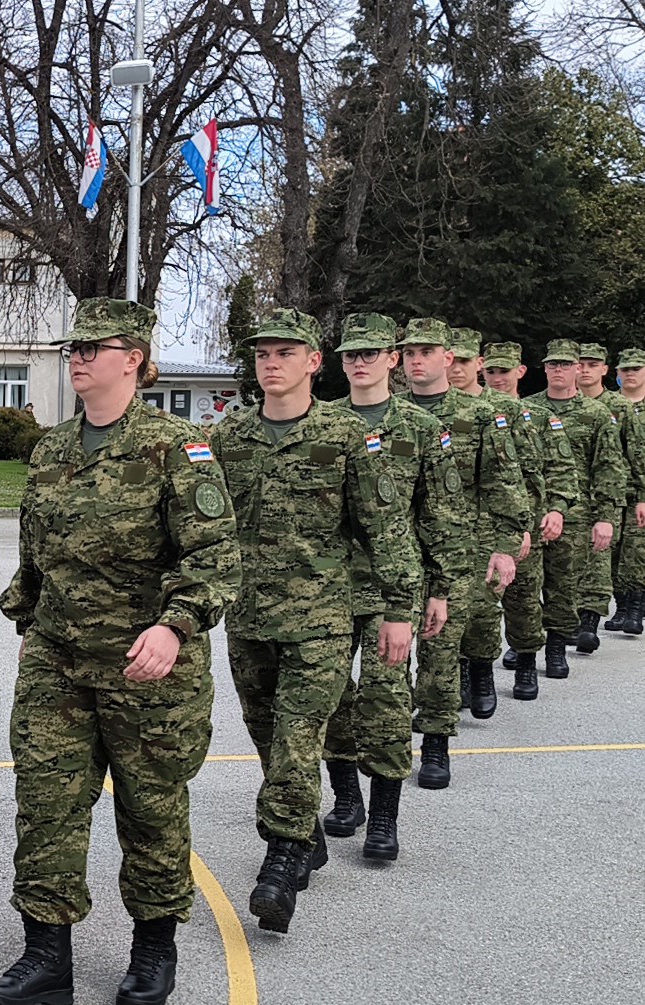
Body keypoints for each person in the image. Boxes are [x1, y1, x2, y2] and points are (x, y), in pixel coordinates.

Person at [0, 298, 239, 1005]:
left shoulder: (176, 447)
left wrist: (176, 626)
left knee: (151, 811)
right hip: (58, 662)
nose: (80, 357)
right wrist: (28, 617)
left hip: (145, 665)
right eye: (75, 347)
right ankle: (46, 957)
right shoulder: (53, 448)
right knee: (47, 806)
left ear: (135, 360)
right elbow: (35, 551)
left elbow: (215, 555)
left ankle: (153, 949)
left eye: (97, 346)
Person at [209, 308, 419, 933]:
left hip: (321, 619)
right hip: (247, 618)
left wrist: (397, 609)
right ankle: (305, 832)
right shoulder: (229, 438)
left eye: (284, 352)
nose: (271, 363)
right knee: (267, 733)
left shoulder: (344, 436)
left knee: (300, 734)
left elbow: (384, 528)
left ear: (312, 362)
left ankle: (280, 856)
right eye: (262, 354)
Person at [322, 313, 467, 862]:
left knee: (385, 701)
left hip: (393, 588)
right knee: (331, 700)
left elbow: (441, 515)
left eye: (370, 353)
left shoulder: (421, 428)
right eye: (350, 354)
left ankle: (384, 817)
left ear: (392, 359)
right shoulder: (323, 422)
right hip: (327, 589)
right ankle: (345, 798)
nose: (359, 362)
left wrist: (442, 588)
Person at [396, 318, 528, 788]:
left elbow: (504, 481)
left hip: (460, 550)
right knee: (390, 653)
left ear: (447, 359)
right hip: (397, 552)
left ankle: (435, 742)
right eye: (410, 352)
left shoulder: (478, 415)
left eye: (427, 352)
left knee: (441, 647)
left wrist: (506, 547)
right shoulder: (388, 414)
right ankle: (387, 749)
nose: (416, 360)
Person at [482, 342, 580, 699]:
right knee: (476, 606)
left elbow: (560, 469)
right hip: (477, 528)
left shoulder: (536, 417)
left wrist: (556, 509)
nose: (497, 378)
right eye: (491, 371)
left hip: (527, 527)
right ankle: (472, 673)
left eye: (503, 371)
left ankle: (527, 661)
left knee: (523, 601)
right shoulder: (473, 413)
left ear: (519, 372)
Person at [450, 328, 538, 718]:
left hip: (490, 523)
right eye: (450, 360)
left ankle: (483, 669)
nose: (455, 369)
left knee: (484, 607)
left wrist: (524, 525)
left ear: (477, 364)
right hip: (445, 524)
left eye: (464, 361)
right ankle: (460, 674)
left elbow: (529, 473)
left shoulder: (505, 413)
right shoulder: (425, 410)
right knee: (447, 608)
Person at [525, 339, 627, 665]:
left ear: (578, 369)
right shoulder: (526, 409)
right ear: (544, 368)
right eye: (553, 364)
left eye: (566, 364)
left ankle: (556, 647)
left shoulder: (596, 414)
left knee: (563, 586)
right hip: (530, 510)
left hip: (578, 513)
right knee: (524, 586)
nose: (559, 370)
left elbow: (609, 467)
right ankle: (524, 645)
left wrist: (607, 517)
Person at [607, 348, 645, 636]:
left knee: (637, 551)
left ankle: (635, 608)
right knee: (614, 551)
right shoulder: (608, 406)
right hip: (613, 489)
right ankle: (620, 607)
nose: (630, 373)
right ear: (617, 373)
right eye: (625, 369)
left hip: (640, 491)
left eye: (636, 368)